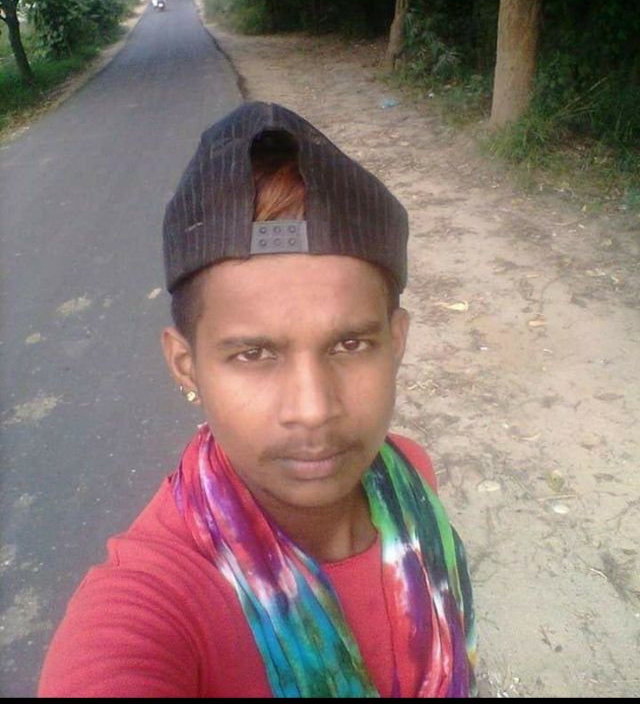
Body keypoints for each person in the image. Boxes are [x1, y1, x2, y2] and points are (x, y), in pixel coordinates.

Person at [38, 101, 477, 697]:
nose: (313, 409)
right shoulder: (154, 600)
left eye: (350, 344)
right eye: (254, 354)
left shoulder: (412, 474)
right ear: (186, 366)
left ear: (395, 342)